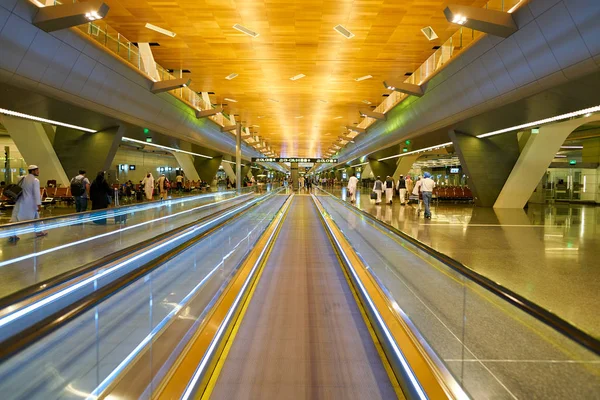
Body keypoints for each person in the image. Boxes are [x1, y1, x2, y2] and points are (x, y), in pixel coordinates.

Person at [8, 165, 47, 242]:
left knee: (16, 218)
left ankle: (13, 234)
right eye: (37, 170)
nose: (38, 172)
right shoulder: (35, 180)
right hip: (30, 203)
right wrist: (39, 204)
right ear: (32, 171)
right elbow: (36, 193)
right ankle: (38, 231)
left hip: (20, 201)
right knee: (32, 217)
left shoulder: (22, 178)